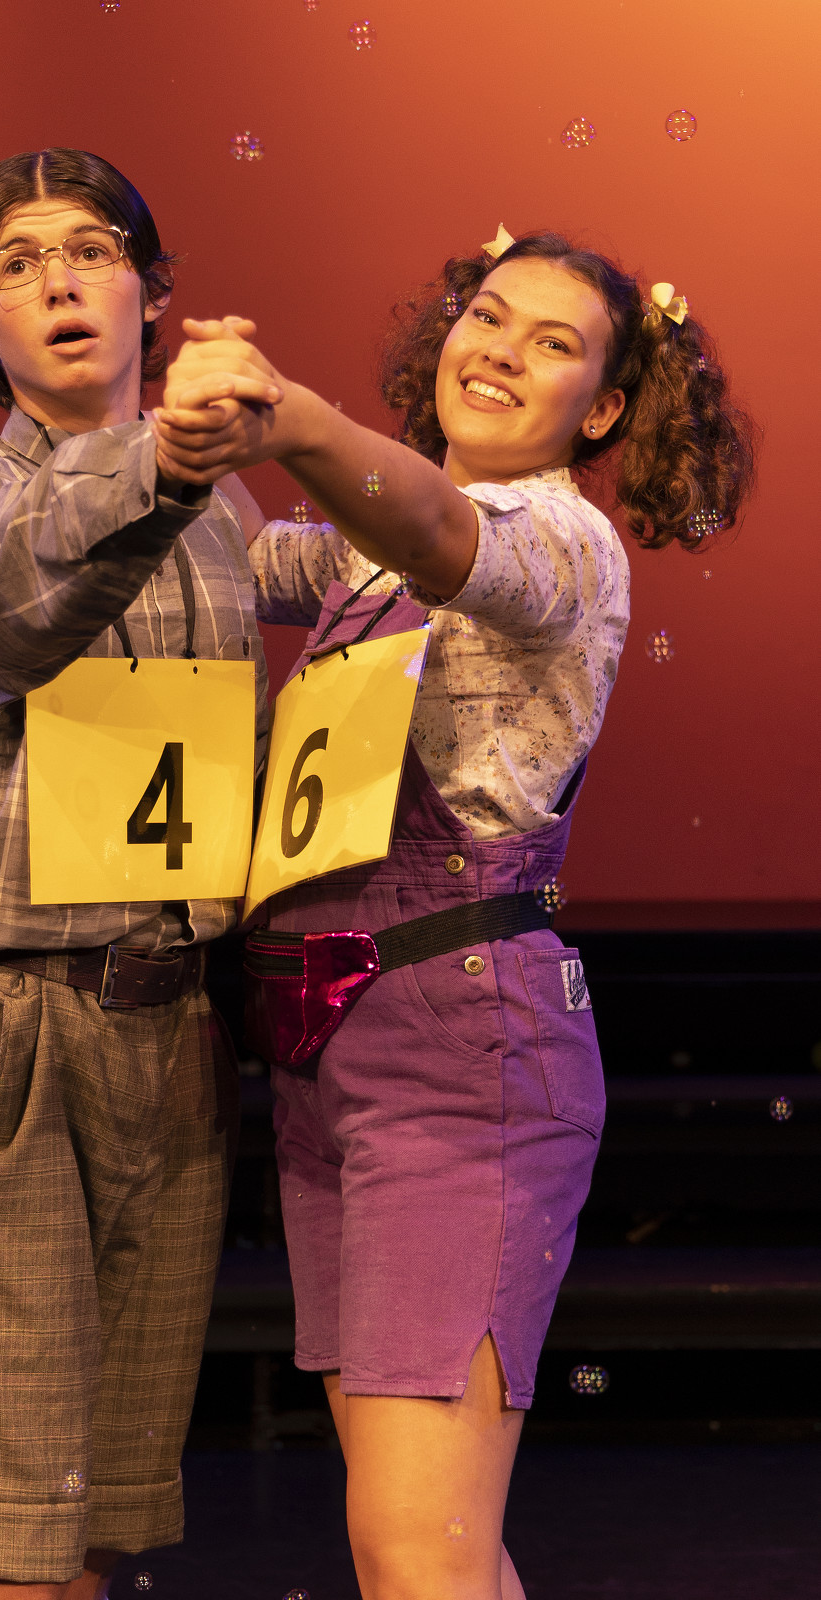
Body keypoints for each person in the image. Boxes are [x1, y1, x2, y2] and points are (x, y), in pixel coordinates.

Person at [152, 229, 756, 1600]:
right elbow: (231, 555)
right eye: (490, 316)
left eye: (556, 344)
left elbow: (442, 535)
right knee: (431, 1546)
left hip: (459, 1051)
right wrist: (171, 409)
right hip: (330, 1045)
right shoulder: (359, 560)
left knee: (413, 1551)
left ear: (602, 408)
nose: (503, 353)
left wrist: (291, 416)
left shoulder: (559, 540)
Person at [0, 148, 276, 1599]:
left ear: (154, 294)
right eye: (17, 263)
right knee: (9, 1537)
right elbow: (17, 606)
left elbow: (349, 573)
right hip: (8, 1031)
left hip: (172, 1033)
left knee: (102, 1518)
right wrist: (166, 457)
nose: (58, 279)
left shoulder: (224, 515)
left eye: (91, 249)